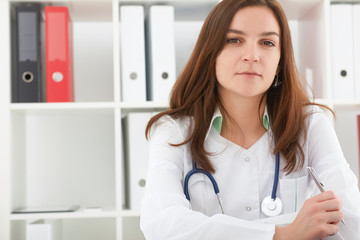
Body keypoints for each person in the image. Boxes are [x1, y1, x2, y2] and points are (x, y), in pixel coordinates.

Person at [140, 0, 360, 239]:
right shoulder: (173, 132)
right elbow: (161, 224)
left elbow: (350, 219)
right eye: (234, 40)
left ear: (279, 61)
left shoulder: (311, 124)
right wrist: (284, 234)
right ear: (210, 52)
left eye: (267, 42)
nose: (252, 56)